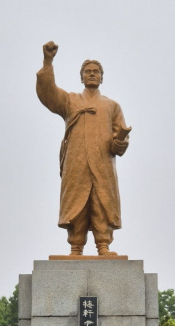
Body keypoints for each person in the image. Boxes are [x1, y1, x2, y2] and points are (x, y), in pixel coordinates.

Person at [36, 41, 131, 256]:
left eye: (96, 72)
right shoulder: (71, 101)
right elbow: (49, 94)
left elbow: (120, 142)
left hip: (102, 163)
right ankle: (76, 246)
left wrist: (120, 141)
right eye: (88, 72)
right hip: (76, 162)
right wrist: (48, 61)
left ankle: (103, 244)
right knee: (76, 204)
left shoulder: (112, 106)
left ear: (102, 77)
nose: (92, 74)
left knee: (101, 202)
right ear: (81, 77)